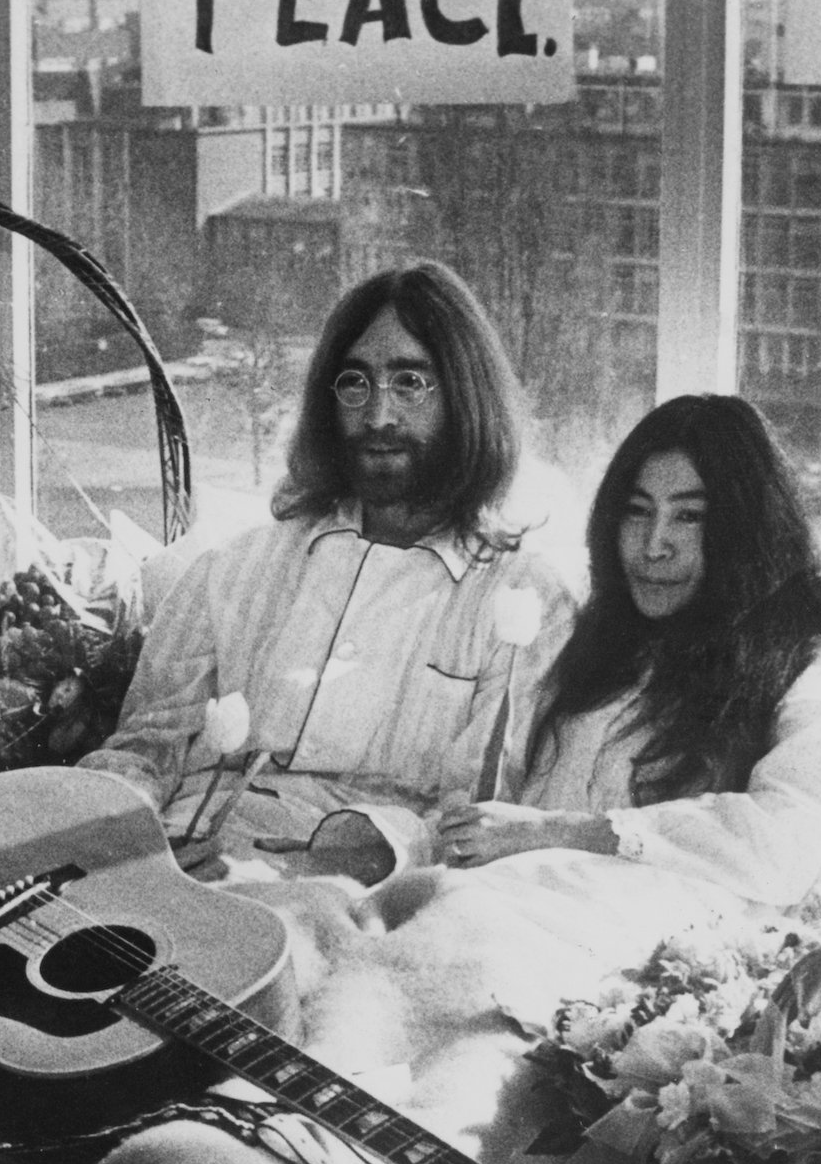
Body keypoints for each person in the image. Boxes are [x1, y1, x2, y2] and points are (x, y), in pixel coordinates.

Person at [81, 262, 572, 881]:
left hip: (362, 893)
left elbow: (479, 825)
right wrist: (116, 834)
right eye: (355, 383)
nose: (377, 416)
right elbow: (146, 746)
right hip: (173, 854)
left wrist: (313, 864)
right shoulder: (235, 569)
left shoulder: (523, 600)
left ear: (467, 399)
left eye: (411, 382)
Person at [436, 395, 821, 907]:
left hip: (623, 943)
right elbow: (479, 800)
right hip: (496, 906)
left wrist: (556, 831)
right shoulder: (587, 647)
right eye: (637, 512)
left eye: (689, 517)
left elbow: (780, 846)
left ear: (747, 528)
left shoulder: (813, 667)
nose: (653, 544)